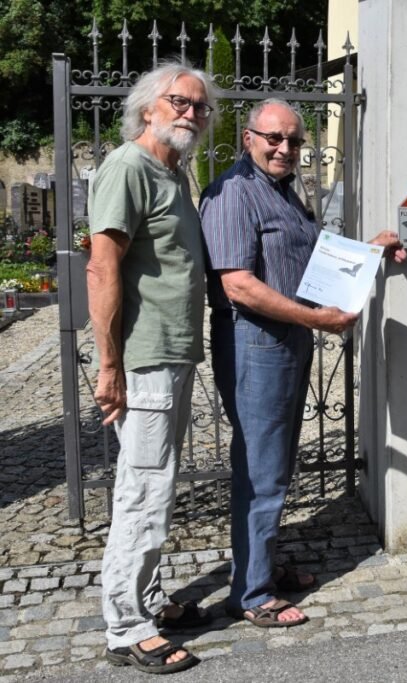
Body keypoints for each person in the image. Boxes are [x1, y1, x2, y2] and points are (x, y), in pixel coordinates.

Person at [199, 98, 406, 628]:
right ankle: (250, 595)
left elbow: (312, 263)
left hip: (285, 338)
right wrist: (316, 320)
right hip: (254, 342)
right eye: (274, 138)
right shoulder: (232, 194)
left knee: (277, 463)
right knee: (261, 468)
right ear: (249, 137)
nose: (285, 148)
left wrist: (372, 249)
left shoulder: (284, 193)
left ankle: (258, 565)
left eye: (293, 141)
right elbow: (237, 285)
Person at [87, 61, 218, 674]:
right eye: (179, 102)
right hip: (142, 358)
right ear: (148, 109)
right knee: (143, 488)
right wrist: (108, 364)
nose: (191, 113)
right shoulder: (128, 167)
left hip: (173, 350)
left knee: (156, 482)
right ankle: (126, 625)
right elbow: (102, 268)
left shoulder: (174, 174)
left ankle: (148, 598)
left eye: (199, 106)